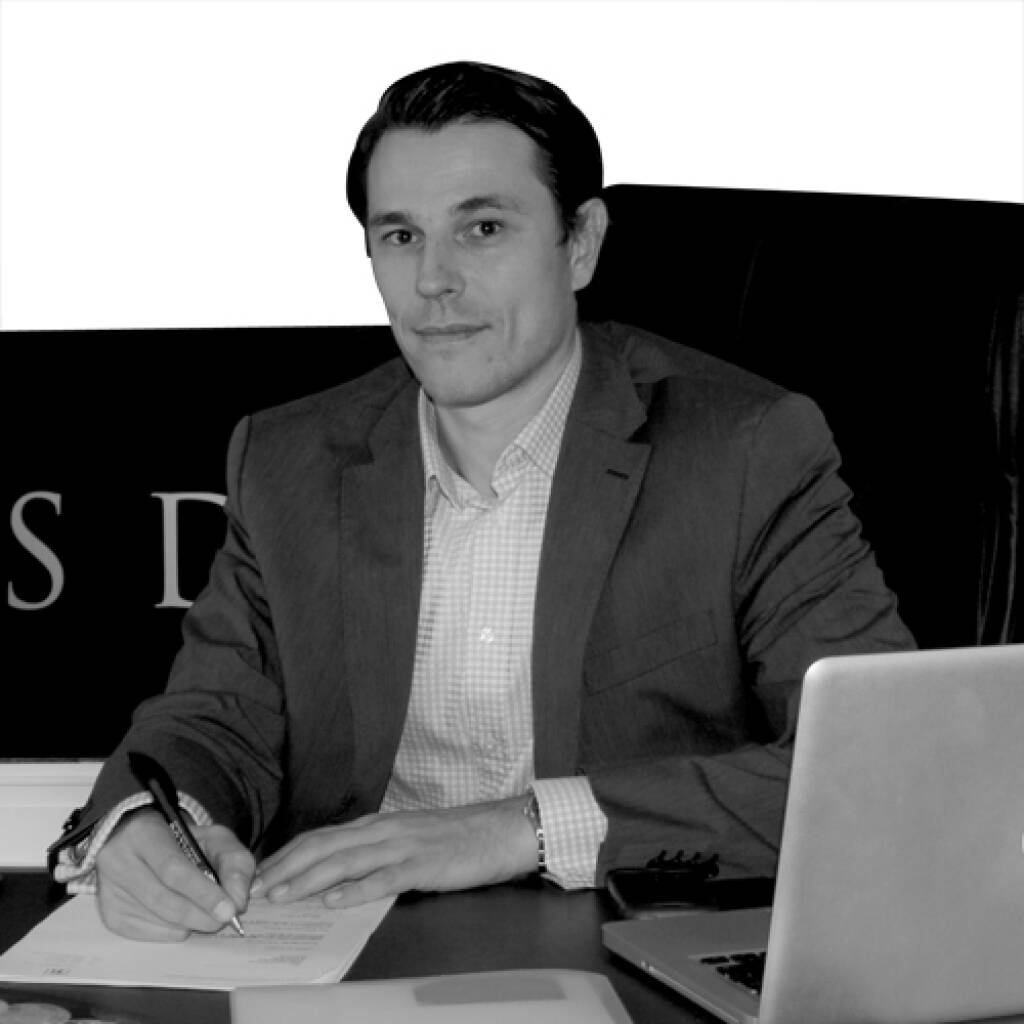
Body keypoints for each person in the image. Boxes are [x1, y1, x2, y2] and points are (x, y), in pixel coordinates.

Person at [49, 60, 914, 941]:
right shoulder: (288, 459)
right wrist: (149, 821)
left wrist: (518, 829)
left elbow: (880, 767)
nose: (433, 280)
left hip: (624, 943)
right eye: (401, 235)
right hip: (347, 948)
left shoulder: (745, 452)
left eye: (483, 229)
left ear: (581, 243)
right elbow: (214, 717)